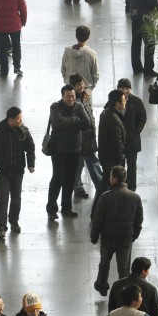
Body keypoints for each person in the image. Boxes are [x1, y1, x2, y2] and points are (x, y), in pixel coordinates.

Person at [91, 166, 144, 295]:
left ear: (114, 179)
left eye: (110, 177)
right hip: (126, 239)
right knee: (124, 267)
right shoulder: (135, 197)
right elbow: (139, 219)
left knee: (104, 263)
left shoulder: (105, 197)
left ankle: (102, 285)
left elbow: (98, 218)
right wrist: (134, 235)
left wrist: (94, 235)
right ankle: (124, 292)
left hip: (108, 237)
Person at [0, 106, 36, 238]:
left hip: (18, 171)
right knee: (3, 200)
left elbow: (30, 147)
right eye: (18, 118)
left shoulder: (23, 131)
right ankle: (1, 227)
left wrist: (31, 164)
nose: (21, 121)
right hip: (3, 171)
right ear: (11, 120)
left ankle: (14, 221)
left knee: (16, 199)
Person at [47, 85, 92, 220]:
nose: (71, 98)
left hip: (75, 150)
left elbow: (87, 123)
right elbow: (58, 121)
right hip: (58, 150)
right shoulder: (55, 107)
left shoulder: (79, 106)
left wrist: (70, 123)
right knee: (57, 179)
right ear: (62, 96)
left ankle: (66, 207)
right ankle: (51, 209)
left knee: (70, 179)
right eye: (68, 96)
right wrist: (75, 121)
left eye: (73, 96)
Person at [126, 0, 158, 76]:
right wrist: (156, 13)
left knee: (136, 41)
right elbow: (152, 0)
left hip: (135, 14)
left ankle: (137, 67)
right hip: (146, 15)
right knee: (149, 42)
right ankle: (148, 68)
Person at [70, 74, 102, 199]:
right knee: (85, 162)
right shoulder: (74, 102)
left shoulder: (84, 97)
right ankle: (97, 185)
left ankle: (79, 187)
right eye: (78, 85)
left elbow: (90, 114)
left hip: (88, 136)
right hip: (81, 138)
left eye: (82, 83)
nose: (81, 86)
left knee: (87, 162)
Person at [118, 79, 148, 190]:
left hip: (132, 139)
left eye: (127, 88)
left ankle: (131, 187)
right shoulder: (114, 100)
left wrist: (136, 131)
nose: (125, 91)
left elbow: (142, 118)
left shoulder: (136, 101)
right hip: (118, 139)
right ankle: (119, 185)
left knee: (132, 166)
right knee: (119, 165)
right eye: (122, 88)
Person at [97, 89, 127, 192]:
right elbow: (116, 142)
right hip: (112, 159)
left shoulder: (107, 113)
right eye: (123, 100)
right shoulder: (113, 119)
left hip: (106, 157)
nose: (125, 102)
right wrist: (120, 160)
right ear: (117, 103)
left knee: (106, 184)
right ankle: (97, 207)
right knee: (106, 185)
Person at [61, 26, 100, 91]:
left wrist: (67, 81)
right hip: (86, 88)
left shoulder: (67, 52)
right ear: (88, 37)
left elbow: (63, 70)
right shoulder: (91, 54)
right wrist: (91, 88)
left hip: (70, 88)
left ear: (76, 36)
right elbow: (95, 74)